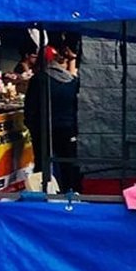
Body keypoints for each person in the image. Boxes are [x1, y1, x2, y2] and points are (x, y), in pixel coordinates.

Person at [24, 42, 82, 192]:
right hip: (67, 127)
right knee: (67, 162)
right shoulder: (71, 80)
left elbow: (30, 106)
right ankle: (70, 191)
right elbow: (76, 106)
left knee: (42, 162)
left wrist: (30, 124)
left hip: (43, 128)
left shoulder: (39, 79)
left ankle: (43, 191)